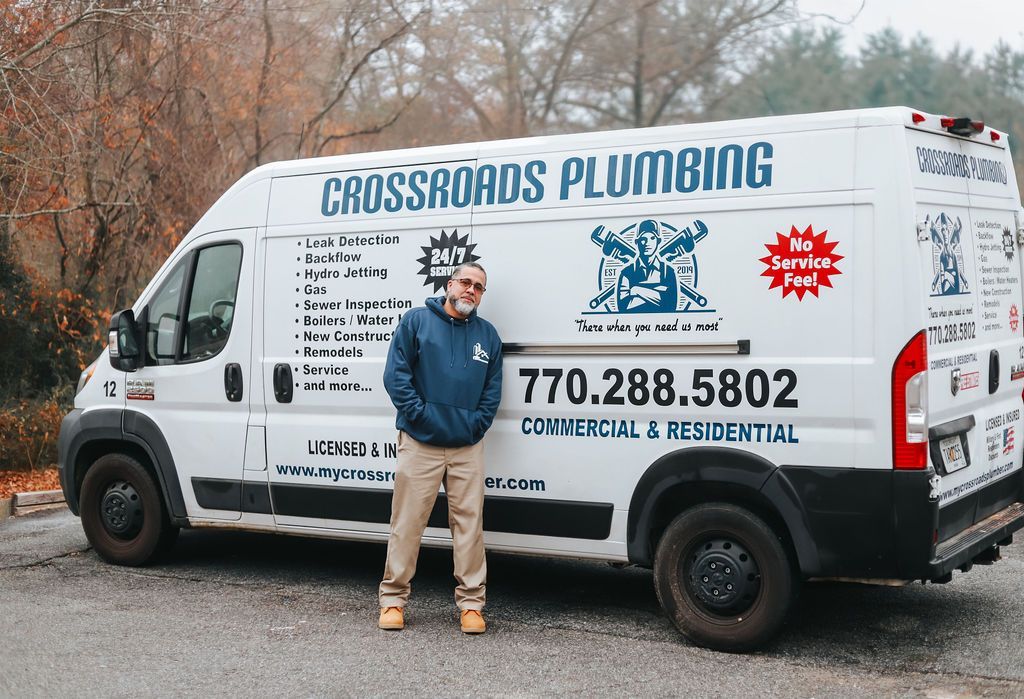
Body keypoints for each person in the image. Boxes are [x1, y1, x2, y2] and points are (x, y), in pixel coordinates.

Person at [377, 261, 503, 634]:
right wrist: (422, 417)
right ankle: (393, 600)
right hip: (421, 443)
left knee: (469, 527)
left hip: (466, 446)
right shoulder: (416, 322)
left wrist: (475, 426)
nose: (471, 290)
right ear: (449, 284)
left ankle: (471, 606)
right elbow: (395, 376)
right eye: (465, 282)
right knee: (407, 523)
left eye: (479, 287)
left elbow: (492, 392)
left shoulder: (488, 336)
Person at [617, 219, 679, 313]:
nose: (647, 243)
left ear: (659, 241)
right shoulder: (627, 273)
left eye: (652, 238)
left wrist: (636, 290)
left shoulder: (668, 272)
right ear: (637, 242)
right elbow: (623, 307)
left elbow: (671, 305)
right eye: (643, 239)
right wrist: (657, 293)